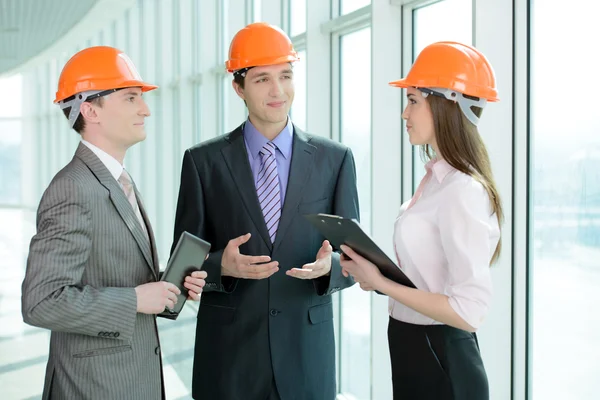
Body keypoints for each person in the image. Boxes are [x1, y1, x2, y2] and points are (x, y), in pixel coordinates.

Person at [172, 22, 359, 400]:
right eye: (261, 80)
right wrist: (220, 266)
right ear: (238, 86)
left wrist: (331, 268)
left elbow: (354, 257)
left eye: (285, 76)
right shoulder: (202, 162)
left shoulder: (334, 159)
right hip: (229, 359)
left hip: (306, 357)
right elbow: (182, 268)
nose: (278, 91)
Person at [21, 46, 207, 400]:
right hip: (94, 387)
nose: (145, 109)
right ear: (90, 110)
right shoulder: (73, 189)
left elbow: (113, 271)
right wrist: (136, 300)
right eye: (131, 98)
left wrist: (168, 286)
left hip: (127, 380)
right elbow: (41, 300)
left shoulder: (117, 180)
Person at [340, 41, 503, 400]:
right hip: (413, 346)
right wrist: (375, 275)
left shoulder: (462, 189)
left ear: (446, 104)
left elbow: (468, 311)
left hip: (442, 357)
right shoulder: (434, 179)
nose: (404, 113)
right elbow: (428, 278)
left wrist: (382, 282)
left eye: (413, 100)